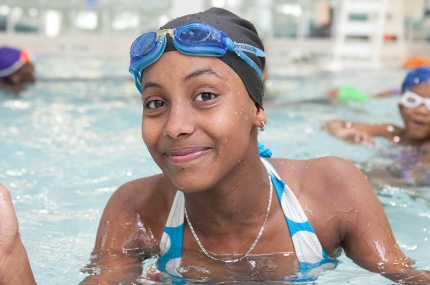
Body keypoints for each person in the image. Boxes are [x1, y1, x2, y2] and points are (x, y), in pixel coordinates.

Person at [1, 7, 430, 285]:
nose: (175, 125)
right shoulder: (136, 209)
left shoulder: (331, 189)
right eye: (155, 103)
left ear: (257, 110)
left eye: (205, 95)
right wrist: (10, 255)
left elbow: (404, 275)